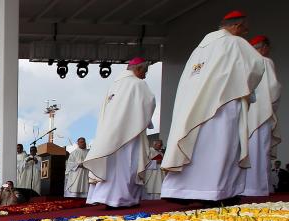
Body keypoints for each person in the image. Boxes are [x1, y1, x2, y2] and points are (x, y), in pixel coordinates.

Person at [162, 10, 265, 203]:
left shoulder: (202, 46)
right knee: (221, 145)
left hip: (194, 104)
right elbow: (257, 67)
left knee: (196, 143)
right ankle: (217, 191)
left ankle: (182, 190)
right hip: (223, 103)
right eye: (244, 29)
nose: (245, 33)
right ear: (236, 26)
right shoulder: (235, 43)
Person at [84, 58, 157, 208]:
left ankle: (106, 196)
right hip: (129, 134)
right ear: (138, 69)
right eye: (145, 72)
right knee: (128, 164)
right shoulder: (138, 84)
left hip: (109, 134)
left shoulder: (114, 86)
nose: (145, 76)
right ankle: (123, 199)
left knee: (112, 165)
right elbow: (149, 103)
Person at [244, 35, 281, 196]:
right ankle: (259, 187)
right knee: (260, 149)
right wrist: (272, 106)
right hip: (262, 111)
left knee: (248, 150)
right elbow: (274, 87)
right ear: (264, 47)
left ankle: (246, 187)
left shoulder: (245, 64)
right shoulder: (265, 61)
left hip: (246, 112)